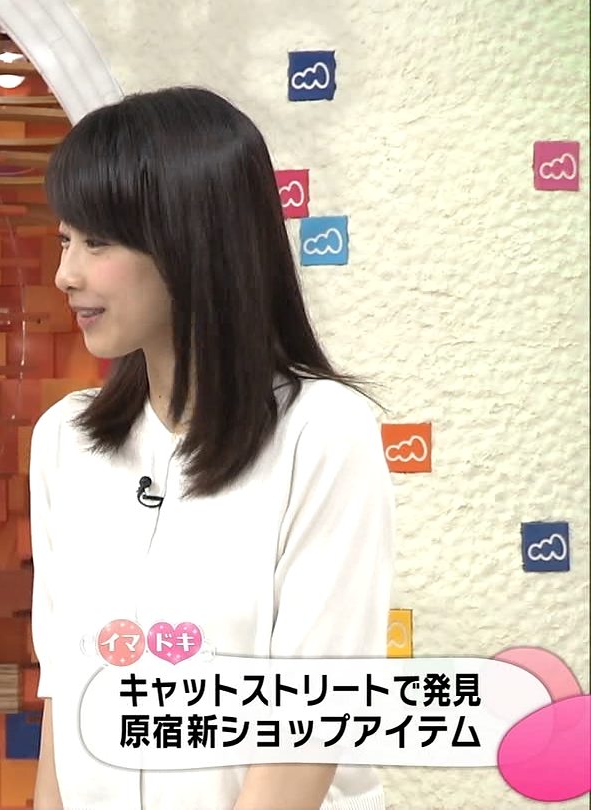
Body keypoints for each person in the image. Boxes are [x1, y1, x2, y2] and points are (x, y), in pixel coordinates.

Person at [30, 87, 395, 809]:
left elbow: (308, 726)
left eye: (97, 242)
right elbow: (63, 693)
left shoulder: (324, 434)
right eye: (65, 239)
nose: (65, 274)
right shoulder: (65, 439)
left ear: (190, 241)